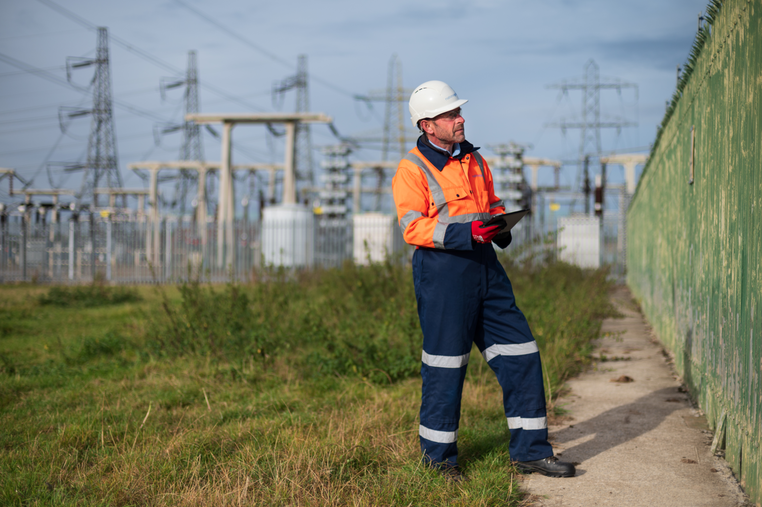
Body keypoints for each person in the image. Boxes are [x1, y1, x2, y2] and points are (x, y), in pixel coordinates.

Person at [391, 80, 575, 481]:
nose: (460, 119)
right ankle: (438, 462)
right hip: (443, 275)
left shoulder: (474, 159)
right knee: (445, 366)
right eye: (450, 115)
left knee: (522, 354)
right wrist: (467, 234)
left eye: (459, 112)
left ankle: (530, 451)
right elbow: (412, 227)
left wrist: (500, 225)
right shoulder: (411, 169)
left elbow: (489, 205)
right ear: (428, 125)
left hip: (486, 268)